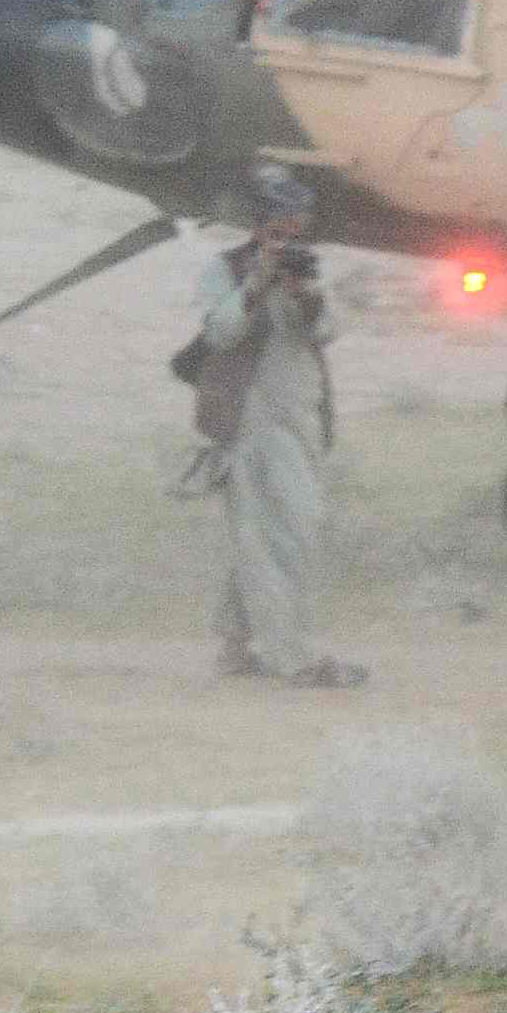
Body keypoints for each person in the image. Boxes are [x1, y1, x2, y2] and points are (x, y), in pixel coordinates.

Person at [177, 168, 366, 690]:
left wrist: (305, 294)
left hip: (301, 415)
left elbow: (327, 332)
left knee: (267, 531)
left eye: (295, 221)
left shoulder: (306, 267)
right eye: (279, 222)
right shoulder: (224, 270)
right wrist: (255, 287)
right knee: (287, 532)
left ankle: (235, 644)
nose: (288, 232)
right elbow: (220, 332)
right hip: (251, 418)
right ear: (259, 224)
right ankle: (295, 657)